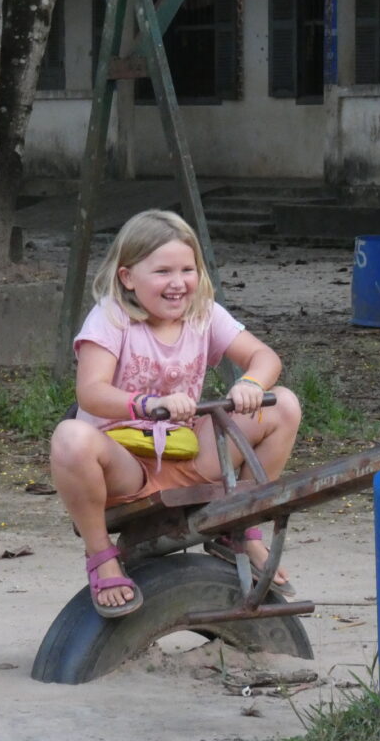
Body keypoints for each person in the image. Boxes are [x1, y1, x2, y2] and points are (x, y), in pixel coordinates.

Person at [49, 209, 301, 618]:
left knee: (283, 405)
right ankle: (101, 556)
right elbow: (91, 392)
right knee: (69, 437)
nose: (178, 282)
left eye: (187, 269)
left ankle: (241, 526)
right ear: (128, 277)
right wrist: (146, 405)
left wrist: (251, 384)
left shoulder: (203, 314)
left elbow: (264, 357)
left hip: (186, 454)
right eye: (162, 271)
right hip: (125, 464)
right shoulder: (112, 317)